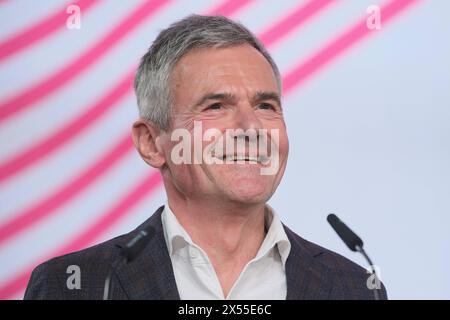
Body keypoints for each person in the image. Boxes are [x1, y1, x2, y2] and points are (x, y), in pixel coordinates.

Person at [24, 15, 387, 300]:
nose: (250, 127)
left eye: (265, 105)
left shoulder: (355, 288)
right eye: (216, 106)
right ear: (151, 143)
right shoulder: (72, 286)